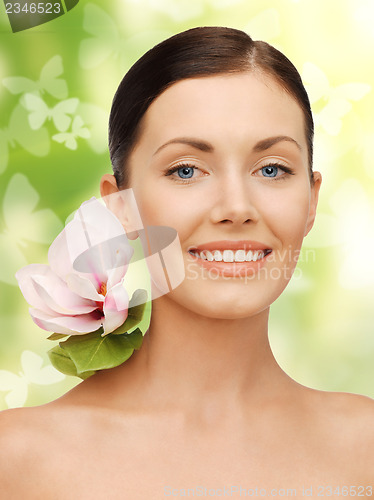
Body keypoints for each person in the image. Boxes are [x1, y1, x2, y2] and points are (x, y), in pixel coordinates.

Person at [0, 26, 373, 498]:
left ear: (311, 201)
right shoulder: (17, 458)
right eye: (186, 170)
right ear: (121, 209)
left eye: (272, 169)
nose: (236, 207)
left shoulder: (365, 449)